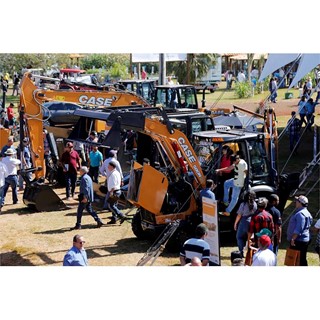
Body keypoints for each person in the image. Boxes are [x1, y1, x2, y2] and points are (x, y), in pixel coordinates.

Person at [286, 195, 313, 266]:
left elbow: (299, 228)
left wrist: (293, 239)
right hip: (303, 240)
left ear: (300, 203)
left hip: (298, 241)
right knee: (301, 258)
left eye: (297, 201)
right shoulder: (307, 213)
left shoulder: (300, 214)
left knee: (296, 260)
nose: (295, 202)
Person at [234, 190, 257, 258]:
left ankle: (241, 252)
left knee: (239, 237)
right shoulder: (255, 204)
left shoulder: (243, 204)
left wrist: (235, 223)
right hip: (252, 222)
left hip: (244, 221)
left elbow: (239, 215)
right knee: (250, 239)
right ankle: (250, 253)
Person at [105, 160, 127, 224]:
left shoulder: (113, 174)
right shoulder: (117, 173)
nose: (108, 167)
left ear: (112, 166)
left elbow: (113, 184)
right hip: (117, 191)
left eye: (109, 166)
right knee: (114, 205)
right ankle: (114, 219)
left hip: (114, 191)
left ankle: (121, 215)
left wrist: (111, 192)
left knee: (111, 205)